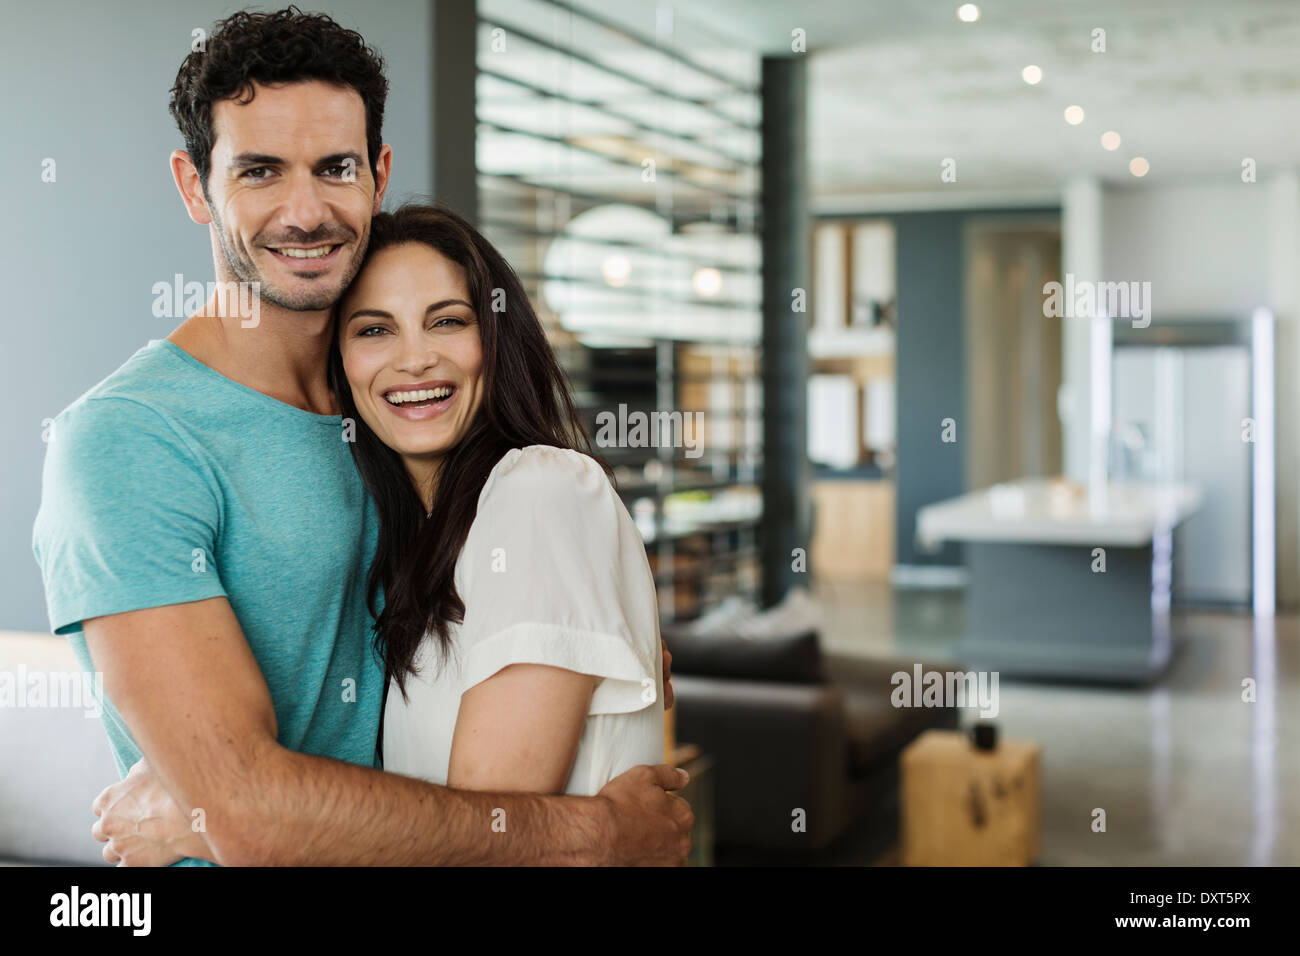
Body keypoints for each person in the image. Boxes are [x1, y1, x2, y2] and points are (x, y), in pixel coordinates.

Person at [32, 6, 690, 866]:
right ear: (194, 187)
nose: (304, 211)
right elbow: (250, 816)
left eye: (335, 167)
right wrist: (594, 834)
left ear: (378, 174)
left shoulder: (389, 418)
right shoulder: (127, 443)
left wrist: (598, 636)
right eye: (259, 171)